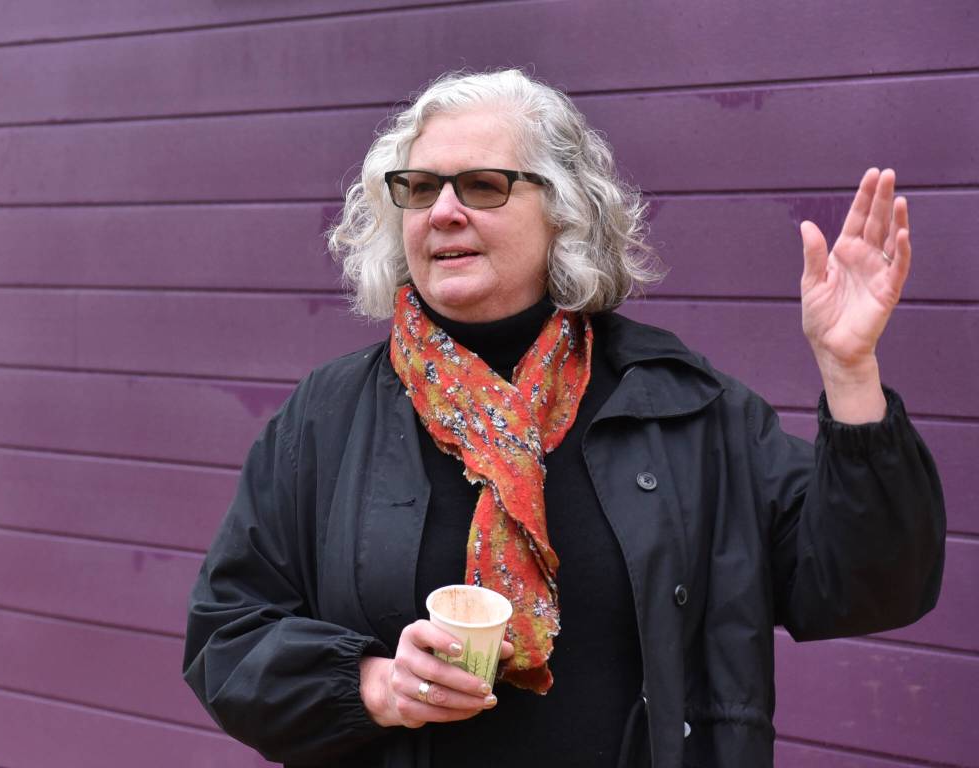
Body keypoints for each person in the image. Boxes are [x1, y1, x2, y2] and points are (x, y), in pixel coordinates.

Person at [182, 69, 945, 768]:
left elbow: (867, 585)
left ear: (564, 212)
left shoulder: (680, 406)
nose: (443, 211)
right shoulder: (328, 417)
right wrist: (374, 685)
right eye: (419, 188)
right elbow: (228, 637)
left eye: (482, 184)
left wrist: (850, 372)